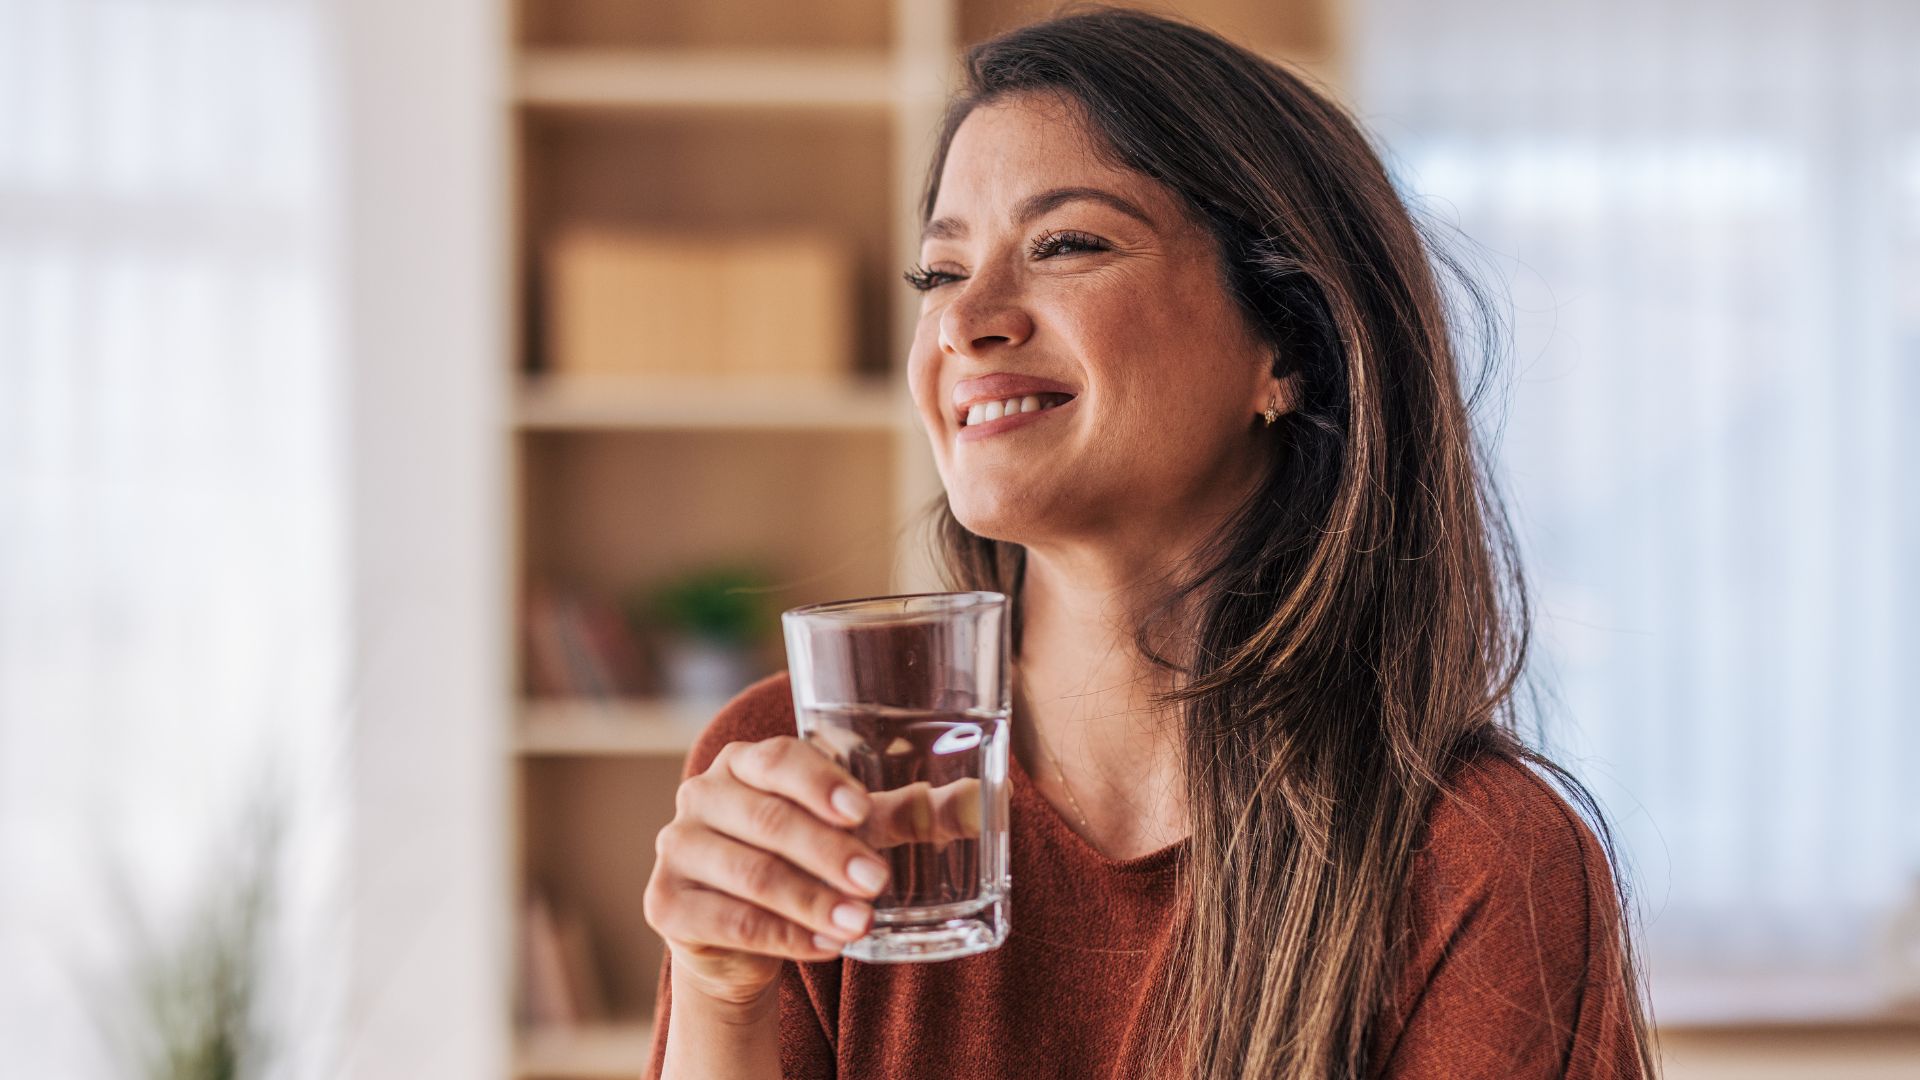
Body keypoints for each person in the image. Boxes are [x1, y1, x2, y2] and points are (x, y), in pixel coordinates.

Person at [641, 7, 1657, 1078]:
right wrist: (719, 993)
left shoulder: (1479, 861)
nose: (966, 320)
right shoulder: (796, 775)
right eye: (939, 273)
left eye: (1068, 244)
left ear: (1288, 344)